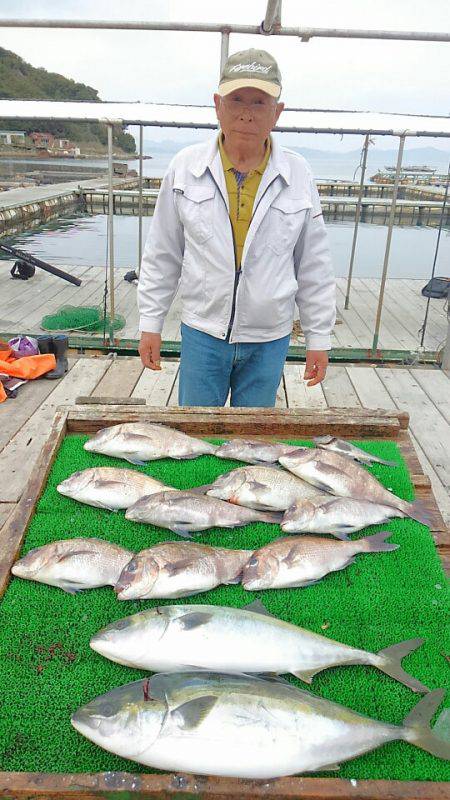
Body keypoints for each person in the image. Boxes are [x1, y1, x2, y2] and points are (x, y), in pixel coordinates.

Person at [138, 48, 336, 406]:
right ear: (218, 104)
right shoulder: (184, 169)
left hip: (270, 338)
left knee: (254, 440)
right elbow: (162, 254)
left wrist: (318, 339)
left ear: (277, 112)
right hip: (202, 333)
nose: (246, 112)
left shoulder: (298, 174)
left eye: (259, 102)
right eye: (237, 99)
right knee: (197, 437)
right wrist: (151, 322)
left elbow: (314, 266)